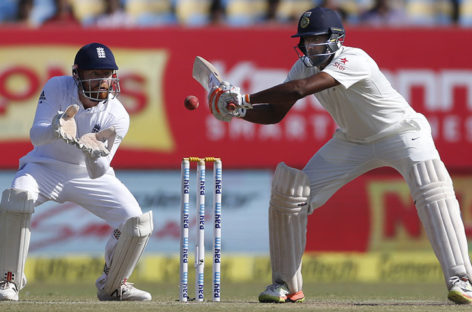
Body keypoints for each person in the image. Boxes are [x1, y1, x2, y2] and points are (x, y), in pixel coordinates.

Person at [208, 7, 472, 304]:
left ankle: (461, 279)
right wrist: (239, 111)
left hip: (402, 133)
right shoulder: (303, 67)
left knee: (432, 190)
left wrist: (244, 97)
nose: (310, 47)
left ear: (336, 39)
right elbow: (273, 114)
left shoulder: (354, 59)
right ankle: (285, 284)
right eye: (306, 41)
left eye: (317, 39)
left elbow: (299, 90)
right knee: (290, 194)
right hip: (352, 141)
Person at [0, 42, 153, 302]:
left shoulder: (118, 115)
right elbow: (36, 137)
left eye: (106, 75)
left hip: (87, 173)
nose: (102, 81)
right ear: (77, 74)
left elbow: (97, 173)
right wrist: (56, 128)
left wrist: (93, 153)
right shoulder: (57, 87)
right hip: (44, 167)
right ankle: (9, 279)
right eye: (94, 74)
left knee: (135, 222)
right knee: (18, 196)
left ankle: (114, 285)